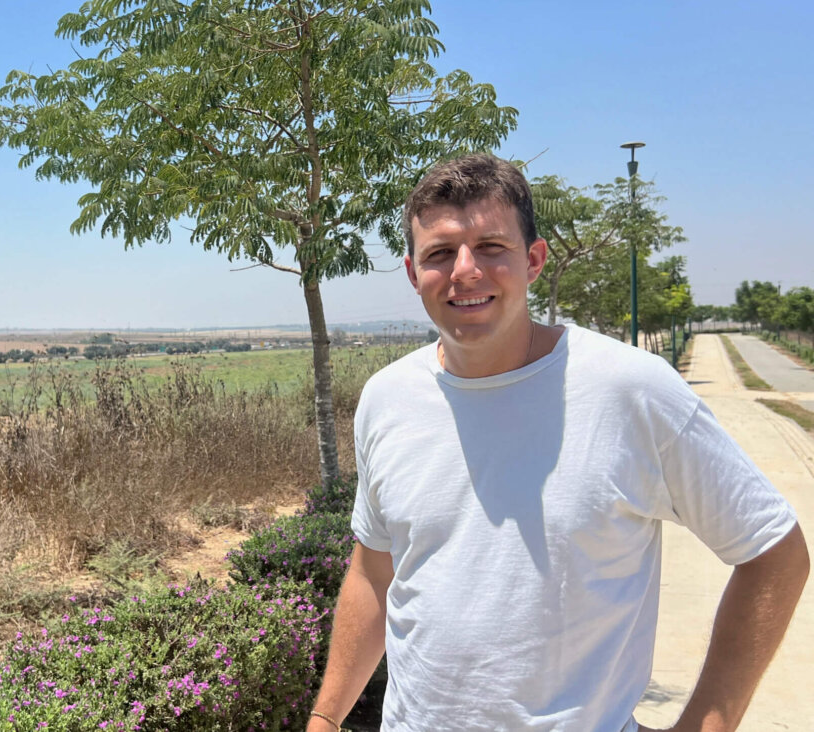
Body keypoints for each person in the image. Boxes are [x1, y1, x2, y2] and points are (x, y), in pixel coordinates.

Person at [306, 153, 808, 732]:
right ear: (414, 273)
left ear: (534, 260)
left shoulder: (630, 390)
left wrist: (708, 722)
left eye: (491, 246)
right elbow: (374, 571)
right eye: (440, 253)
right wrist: (324, 719)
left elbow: (774, 550)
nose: (465, 270)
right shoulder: (386, 398)